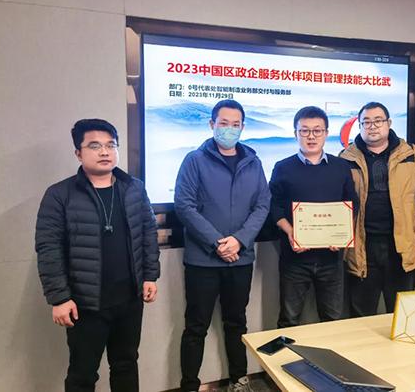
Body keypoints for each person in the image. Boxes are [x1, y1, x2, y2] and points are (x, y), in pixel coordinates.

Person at [35, 119, 160, 392]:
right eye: (94, 146)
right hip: (85, 303)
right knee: (82, 374)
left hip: (129, 298)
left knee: (126, 364)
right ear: (78, 154)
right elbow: (48, 248)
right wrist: (59, 298)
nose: (105, 152)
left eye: (110, 145)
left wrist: (150, 276)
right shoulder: (60, 194)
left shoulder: (134, 188)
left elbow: (148, 233)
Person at [175, 100, 271, 392]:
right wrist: (217, 243)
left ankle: (238, 380)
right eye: (223, 123)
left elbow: (262, 204)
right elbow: (184, 205)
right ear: (212, 124)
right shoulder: (194, 160)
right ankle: (190, 386)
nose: (229, 129)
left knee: (236, 323)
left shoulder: (253, 162)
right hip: (202, 261)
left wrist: (239, 240)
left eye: (235, 124)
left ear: (243, 127)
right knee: (196, 326)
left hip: (240, 259)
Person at [339, 102, 415, 317]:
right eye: (366, 122)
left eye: (378, 121)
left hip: (400, 245)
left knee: (404, 313)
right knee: (361, 314)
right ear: (359, 126)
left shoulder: (409, 153)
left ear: (389, 123)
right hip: (362, 247)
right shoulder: (346, 157)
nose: (372, 126)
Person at [269, 106, 358, 328]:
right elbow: (273, 206)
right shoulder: (283, 167)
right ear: (295, 134)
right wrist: (290, 231)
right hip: (294, 261)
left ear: (326, 134)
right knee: (289, 320)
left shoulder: (341, 167)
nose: (311, 136)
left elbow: (352, 204)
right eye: (305, 130)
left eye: (317, 130)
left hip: (332, 260)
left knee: (332, 322)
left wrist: (342, 235)